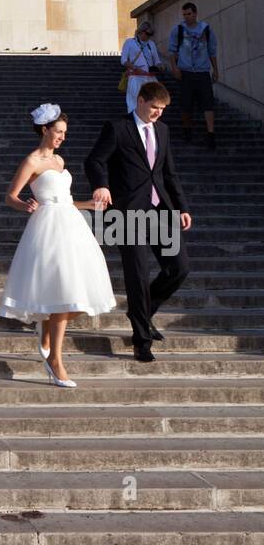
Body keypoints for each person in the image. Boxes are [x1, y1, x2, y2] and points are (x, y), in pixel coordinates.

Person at [0, 103, 116, 389]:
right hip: (48, 227)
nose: (63, 137)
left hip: (72, 224)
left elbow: (65, 199)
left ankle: (48, 331)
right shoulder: (32, 161)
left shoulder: (61, 162)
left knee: (81, 293)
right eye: (58, 131)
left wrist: (89, 204)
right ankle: (55, 361)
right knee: (66, 290)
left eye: (65, 132)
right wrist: (24, 203)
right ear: (44, 130)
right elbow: (10, 196)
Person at [85, 81, 191, 363]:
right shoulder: (118, 128)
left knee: (179, 267)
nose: (158, 113)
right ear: (140, 100)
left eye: (163, 109)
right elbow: (94, 161)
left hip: (159, 211)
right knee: (138, 275)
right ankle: (141, 340)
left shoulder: (163, 131)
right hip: (127, 212)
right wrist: (102, 185)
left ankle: (143, 311)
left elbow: (169, 173)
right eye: (154, 107)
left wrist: (181, 207)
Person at [168, 1, 219, 149]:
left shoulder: (206, 29)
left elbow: (212, 51)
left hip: (202, 71)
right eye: (184, 15)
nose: (187, 17)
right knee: (186, 104)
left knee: (208, 103)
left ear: (195, 13)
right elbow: (172, 51)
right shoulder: (178, 30)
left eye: (189, 14)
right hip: (185, 72)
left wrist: (215, 70)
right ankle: (187, 130)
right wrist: (175, 68)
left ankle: (211, 134)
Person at [119, 20, 163, 114]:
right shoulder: (130, 42)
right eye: (147, 34)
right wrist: (135, 68)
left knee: (153, 102)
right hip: (135, 77)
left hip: (150, 77)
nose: (148, 37)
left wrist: (159, 67)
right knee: (134, 104)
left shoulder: (151, 44)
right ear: (141, 31)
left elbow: (157, 60)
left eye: (150, 34)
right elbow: (123, 60)